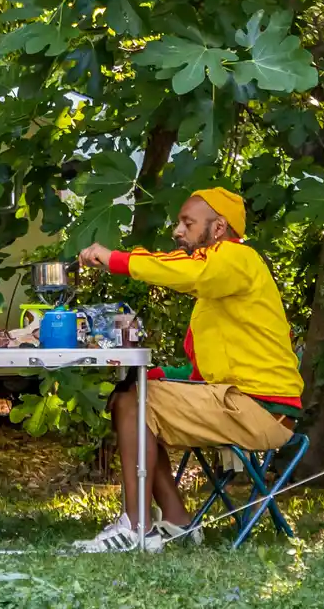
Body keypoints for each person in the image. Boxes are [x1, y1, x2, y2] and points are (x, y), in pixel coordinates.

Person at [73, 187, 302, 551]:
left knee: (134, 403)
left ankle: (136, 527)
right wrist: (161, 375)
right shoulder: (219, 281)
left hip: (260, 410)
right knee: (133, 396)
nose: (177, 231)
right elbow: (209, 372)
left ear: (218, 227)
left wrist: (116, 259)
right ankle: (177, 522)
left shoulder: (236, 258)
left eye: (187, 222)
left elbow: (187, 272)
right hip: (241, 401)